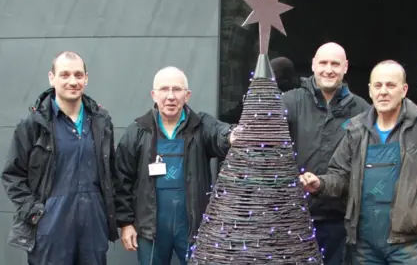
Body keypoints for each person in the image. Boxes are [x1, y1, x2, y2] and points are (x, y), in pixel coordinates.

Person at [299, 60, 417, 264]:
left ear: (404, 90)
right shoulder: (356, 131)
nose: (383, 91)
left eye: (390, 86)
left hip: (407, 245)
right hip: (363, 245)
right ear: (370, 91)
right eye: (378, 85)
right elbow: (341, 176)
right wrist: (320, 184)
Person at [1, 51, 118, 265]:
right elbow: (12, 175)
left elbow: (111, 170)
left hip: (93, 225)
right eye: (64, 75)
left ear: (86, 78)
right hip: (50, 227)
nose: (72, 81)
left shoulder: (102, 123)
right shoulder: (33, 125)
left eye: (78, 75)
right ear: (51, 78)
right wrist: (34, 212)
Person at [115, 66, 235, 265]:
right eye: (164, 89)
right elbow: (122, 180)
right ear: (154, 94)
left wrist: (234, 135)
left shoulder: (201, 126)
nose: (170, 96)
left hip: (192, 227)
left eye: (177, 90)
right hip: (150, 228)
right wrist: (126, 223)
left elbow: (221, 134)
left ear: (187, 95)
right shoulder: (137, 132)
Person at [281, 42, 369, 264]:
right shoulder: (289, 102)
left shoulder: (362, 110)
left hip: (338, 220)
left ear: (345, 67)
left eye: (335, 64)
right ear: (313, 65)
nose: (328, 69)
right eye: (323, 63)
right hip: (293, 216)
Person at [221, 56, 299, 124]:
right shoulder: (260, 94)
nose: (266, 76)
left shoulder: (294, 99)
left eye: (271, 72)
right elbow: (235, 114)